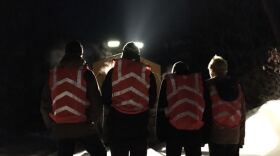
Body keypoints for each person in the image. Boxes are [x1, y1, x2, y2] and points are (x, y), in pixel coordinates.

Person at [40, 40, 106, 156]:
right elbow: (97, 103)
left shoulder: (53, 75)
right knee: (100, 153)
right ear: (81, 53)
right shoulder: (86, 74)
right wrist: (92, 123)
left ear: (66, 53)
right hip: (83, 126)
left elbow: (45, 105)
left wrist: (52, 126)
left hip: (60, 128)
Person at [101, 42, 157, 156]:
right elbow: (152, 100)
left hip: (118, 124)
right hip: (140, 125)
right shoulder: (147, 73)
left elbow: (105, 97)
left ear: (123, 54)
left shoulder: (114, 72)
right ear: (138, 55)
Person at [156, 61, 206, 156]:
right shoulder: (198, 81)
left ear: (174, 71)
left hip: (173, 129)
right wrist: (204, 134)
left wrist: (160, 134)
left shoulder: (169, 81)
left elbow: (161, 108)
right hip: (194, 128)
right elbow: (206, 106)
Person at [205, 55, 246, 156]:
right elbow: (243, 114)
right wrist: (240, 139)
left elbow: (205, 113)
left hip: (216, 136)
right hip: (234, 137)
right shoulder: (237, 86)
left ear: (212, 71)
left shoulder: (209, 86)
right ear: (225, 70)